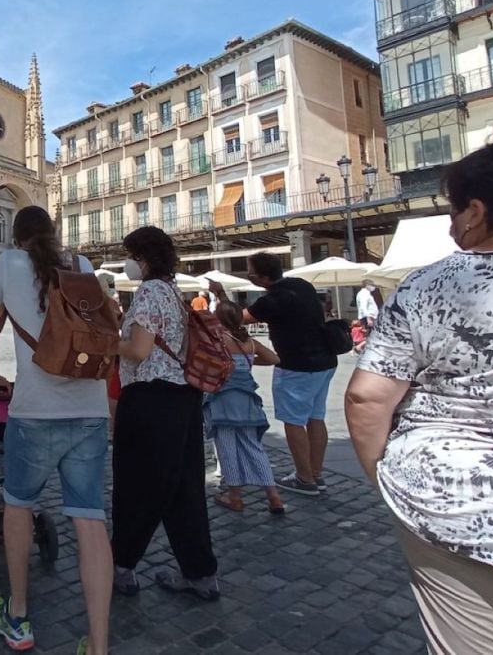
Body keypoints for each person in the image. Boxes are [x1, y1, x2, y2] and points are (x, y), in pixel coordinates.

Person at [346, 139, 493, 655]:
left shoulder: (426, 287)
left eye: (452, 211)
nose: (449, 225)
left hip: (456, 498)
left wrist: (384, 475)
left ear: (477, 212)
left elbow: (367, 399)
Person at [0, 205, 110, 655]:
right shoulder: (83, 264)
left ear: (16, 237)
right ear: (52, 233)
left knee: (18, 508)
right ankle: (99, 644)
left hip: (34, 410)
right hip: (91, 408)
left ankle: (18, 617)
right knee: (90, 522)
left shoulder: (7, 263)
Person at [111, 227, 219, 601]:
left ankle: (122, 566)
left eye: (131, 255)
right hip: (183, 398)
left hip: (149, 399)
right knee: (185, 488)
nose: (128, 263)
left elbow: (139, 350)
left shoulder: (149, 292)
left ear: (143, 257)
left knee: (137, 485)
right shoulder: (174, 291)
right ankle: (200, 572)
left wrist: (107, 340)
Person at [210, 251, 338, 497]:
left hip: (296, 365)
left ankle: (304, 477)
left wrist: (220, 294)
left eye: (250, 271)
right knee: (315, 417)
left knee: (293, 421)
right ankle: (316, 474)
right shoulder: (301, 285)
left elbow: (235, 319)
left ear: (259, 276)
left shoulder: (274, 299)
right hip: (325, 360)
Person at [206, 301, 285, 514]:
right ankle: (274, 496)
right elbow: (274, 358)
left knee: (227, 449)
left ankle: (235, 497)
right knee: (254, 447)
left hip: (223, 401)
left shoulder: (218, 341)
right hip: (248, 402)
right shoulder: (249, 342)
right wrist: (248, 360)